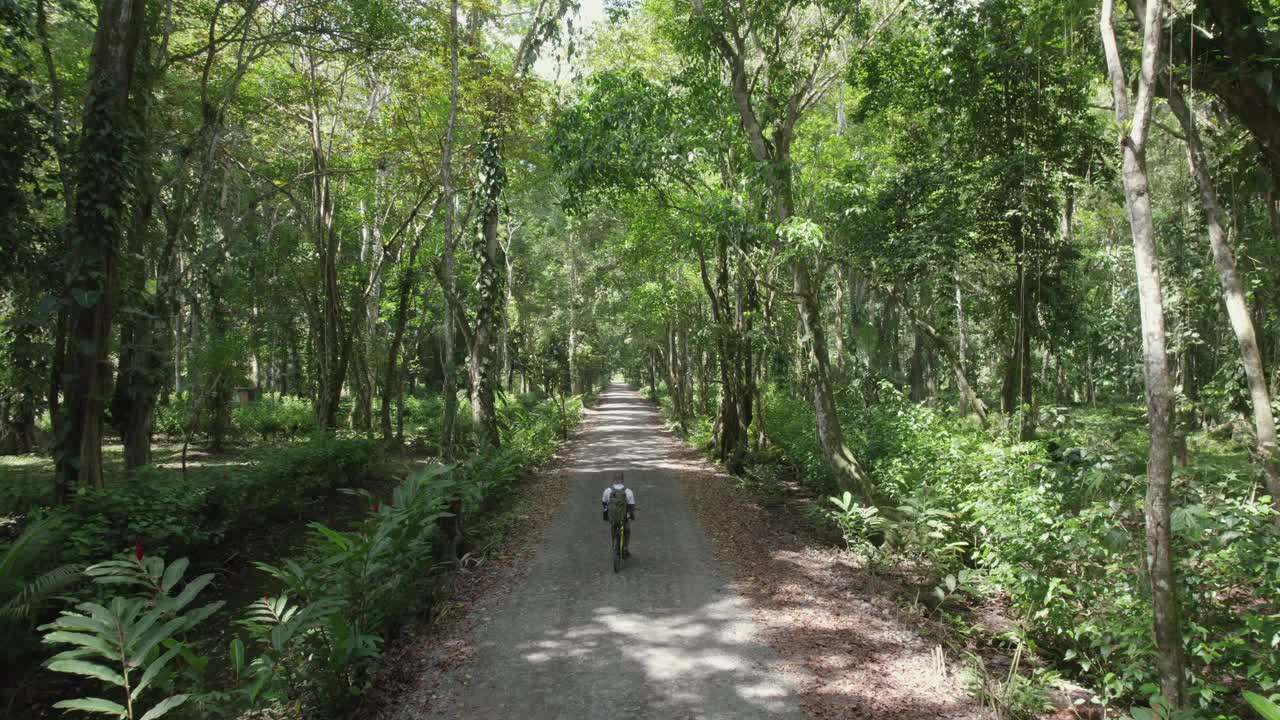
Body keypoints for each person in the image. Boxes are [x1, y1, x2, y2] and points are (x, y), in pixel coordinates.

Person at [601, 472, 636, 557]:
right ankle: (625, 548)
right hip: (624, 517)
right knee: (627, 531)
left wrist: (606, 513)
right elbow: (631, 506)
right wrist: (632, 515)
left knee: (613, 527)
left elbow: (604, 502)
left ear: (613, 480)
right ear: (622, 480)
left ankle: (614, 544)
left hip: (612, 516)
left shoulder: (607, 490)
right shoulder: (628, 491)